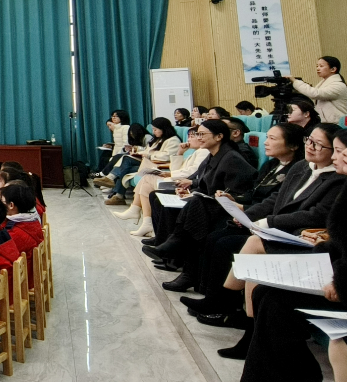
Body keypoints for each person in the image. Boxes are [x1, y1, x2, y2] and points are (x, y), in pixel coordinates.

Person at [182, 124, 340, 330]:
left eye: (318, 145)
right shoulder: (302, 166)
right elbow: (275, 199)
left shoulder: (337, 179)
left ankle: (227, 306)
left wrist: (268, 222)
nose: (310, 147)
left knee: (237, 245)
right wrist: (248, 215)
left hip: (300, 236)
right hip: (277, 229)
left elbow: (315, 215)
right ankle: (220, 300)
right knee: (219, 237)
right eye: (309, 140)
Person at [230, 182, 347, 382]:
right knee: (265, 292)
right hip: (338, 275)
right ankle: (292, 379)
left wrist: (341, 280)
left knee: (279, 303)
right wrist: (326, 252)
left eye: (342, 152)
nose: (338, 156)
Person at [141, 119, 258, 292]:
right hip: (211, 202)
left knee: (197, 211)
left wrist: (202, 193)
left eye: (202, 134)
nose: (198, 137)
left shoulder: (232, 158)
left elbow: (238, 192)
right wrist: (192, 189)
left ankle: (178, 254)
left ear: (219, 136)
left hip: (231, 208)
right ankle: (178, 257)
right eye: (197, 134)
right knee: (190, 203)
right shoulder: (214, 154)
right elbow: (203, 182)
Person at [119, 126, 211, 237]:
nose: (189, 140)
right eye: (188, 136)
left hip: (186, 184)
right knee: (146, 181)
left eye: (192, 136)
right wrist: (180, 153)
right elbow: (177, 169)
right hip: (179, 179)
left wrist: (170, 174)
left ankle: (137, 211)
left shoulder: (203, 151)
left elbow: (193, 172)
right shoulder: (195, 152)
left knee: (147, 179)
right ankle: (145, 221)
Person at [106, 118, 181, 206]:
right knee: (126, 164)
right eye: (153, 129)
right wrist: (139, 153)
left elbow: (166, 156)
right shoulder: (159, 139)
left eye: (155, 129)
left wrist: (149, 155)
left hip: (158, 165)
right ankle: (118, 194)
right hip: (150, 162)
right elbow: (148, 150)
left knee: (126, 163)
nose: (153, 132)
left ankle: (114, 187)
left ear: (163, 129)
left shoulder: (173, 140)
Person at [0, 182, 44, 285]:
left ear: (11, 205)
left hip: (22, 280)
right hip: (27, 272)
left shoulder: (15, 233)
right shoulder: (30, 220)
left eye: (2, 201)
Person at [288, 56, 347, 124]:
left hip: (337, 124)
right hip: (329, 124)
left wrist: (295, 82)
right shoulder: (324, 83)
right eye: (317, 66)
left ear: (333, 69)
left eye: (321, 66)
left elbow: (315, 93)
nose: (318, 68)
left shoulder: (338, 85)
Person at [93, 122, 151, 191]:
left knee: (123, 160)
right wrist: (127, 149)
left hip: (145, 160)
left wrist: (137, 148)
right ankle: (113, 187)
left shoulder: (147, 137)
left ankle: (108, 178)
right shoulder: (137, 139)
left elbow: (150, 150)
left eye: (133, 133)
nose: (132, 136)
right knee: (119, 158)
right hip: (137, 158)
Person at [93, 110, 131, 174]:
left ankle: (102, 174)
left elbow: (126, 144)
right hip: (117, 152)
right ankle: (100, 173)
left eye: (116, 116)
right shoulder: (116, 129)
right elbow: (117, 144)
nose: (113, 118)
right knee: (105, 156)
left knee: (106, 159)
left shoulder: (126, 127)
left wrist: (116, 156)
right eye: (112, 116)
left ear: (122, 117)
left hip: (123, 152)